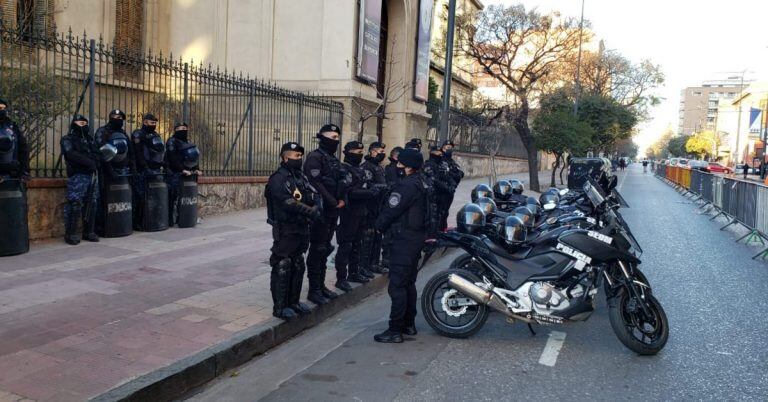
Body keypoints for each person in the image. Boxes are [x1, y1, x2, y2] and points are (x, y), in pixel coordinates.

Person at [373, 148, 431, 343]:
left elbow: (391, 210)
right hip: (415, 239)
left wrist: (378, 227)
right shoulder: (423, 182)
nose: (397, 166)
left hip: (404, 240)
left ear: (408, 166)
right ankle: (408, 324)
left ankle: (395, 330)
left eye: (400, 164)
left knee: (397, 285)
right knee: (408, 283)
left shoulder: (406, 186)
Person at [266, 141, 322, 319]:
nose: (299, 159)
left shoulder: (300, 177)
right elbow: (286, 201)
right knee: (283, 263)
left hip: (301, 226)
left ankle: (294, 302)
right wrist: (310, 211)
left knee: (298, 263)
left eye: (300, 156)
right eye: (296, 156)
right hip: (286, 228)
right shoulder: (278, 178)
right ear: (285, 157)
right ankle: (280, 307)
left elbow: (312, 193)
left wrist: (317, 206)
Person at [303, 124, 344, 305]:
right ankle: (314, 290)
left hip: (332, 210)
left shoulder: (332, 159)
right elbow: (316, 183)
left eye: (337, 137)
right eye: (333, 137)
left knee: (325, 247)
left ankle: (320, 286)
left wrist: (341, 199)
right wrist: (332, 201)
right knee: (318, 248)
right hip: (321, 210)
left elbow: (339, 182)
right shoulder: (314, 157)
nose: (336, 140)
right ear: (322, 137)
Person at [335, 140, 379, 291]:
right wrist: (369, 192)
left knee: (357, 243)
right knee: (346, 245)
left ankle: (353, 272)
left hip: (362, 211)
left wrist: (376, 189)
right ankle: (341, 278)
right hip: (349, 212)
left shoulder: (359, 170)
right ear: (347, 153)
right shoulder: (344, 170)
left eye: (361, 153)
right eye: (356, 153)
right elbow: (349, 192)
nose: (359, 155)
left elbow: (366, 184)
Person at [61, 115, 100, 245]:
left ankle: (89, 232)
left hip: (92, 175)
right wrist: (89, 162)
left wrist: (95, 162)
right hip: (78, 175)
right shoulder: (67, 139)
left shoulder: (90, 140)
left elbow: (97, 153)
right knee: (75, 204)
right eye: (80, 122)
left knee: (92, 203)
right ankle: (70, 234)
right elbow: (71, 154)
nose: (82, 125)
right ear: (74, 124)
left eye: (85, 122)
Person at [95, 109, 135, 233]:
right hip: (107, 172)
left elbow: (131, 152)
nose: (117, 119)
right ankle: (103, 228)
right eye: (115, 116)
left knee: (123, 200)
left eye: (120, 117)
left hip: (124, 172)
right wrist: (110, 170)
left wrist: (133, 168)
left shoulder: (123, 133)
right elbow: (101, 152)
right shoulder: (102, 132)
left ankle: (123, 226)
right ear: (110, 117)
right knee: (105, 200)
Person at [131, 113, 166, 230]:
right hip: (142, 170)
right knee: (140, 197)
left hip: (154, 171)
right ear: (145, 122)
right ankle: (137, 222)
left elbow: (159, 151)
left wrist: (161, 164)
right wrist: (145, 167)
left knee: (154, 197)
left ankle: (152, 220)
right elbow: (138, 153)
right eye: (152, 123)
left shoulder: (155, 135)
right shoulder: (138, 134)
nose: (154, 125)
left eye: (155, 123)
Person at [360, 141, 389, 275]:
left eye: (383, 152)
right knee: (368, 237)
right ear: (372, 152)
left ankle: (374, 263)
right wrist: (382, 188)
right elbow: (367, 186)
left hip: (379, 206)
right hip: (369, 207)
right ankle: (364, 266)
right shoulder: (367, 167)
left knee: (377, 236)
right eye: (380, 152)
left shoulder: (379, 167)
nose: (383, 154)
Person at [165, 122, 202, 226]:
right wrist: (182, 169)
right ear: (175, 130)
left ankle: (183, 218)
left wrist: (196, 169)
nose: (183, 130)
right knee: (173, 196)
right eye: (181, 128)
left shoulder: (186, 142)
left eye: (185, 128)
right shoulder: (172, 141)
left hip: (187, 174)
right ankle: (170, 220)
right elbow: (172, 159)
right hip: (174, 173)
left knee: (185, 197)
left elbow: (193, 157)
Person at [423, 145, 456, 231]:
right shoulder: (428, 165)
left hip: (442, 196)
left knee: (443, 216)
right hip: (433, 196)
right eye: (438, 152)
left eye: (441, 152)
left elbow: (447, 176)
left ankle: (442, 232)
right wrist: (447, 188)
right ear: (432, 153)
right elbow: (434, 180)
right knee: (433, 218)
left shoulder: (441, 164)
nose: (440, 154)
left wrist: (452, 184)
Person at [0, 99, 30, 181]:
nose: (2, 111)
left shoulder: (12, 127)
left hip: (11, 175)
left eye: (3, 108)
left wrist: (23, 171)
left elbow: (23, 149)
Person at [442, 140, 464, 225]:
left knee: (445, 212)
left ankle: (443, 229)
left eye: (450, 148)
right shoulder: (440, 160)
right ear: (443, 148)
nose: (449, 149)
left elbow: (460, 174)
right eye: (447, 148)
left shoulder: (452, 162)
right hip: (441, 191)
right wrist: (452, 174)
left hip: (450, 191)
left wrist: (451, 173)